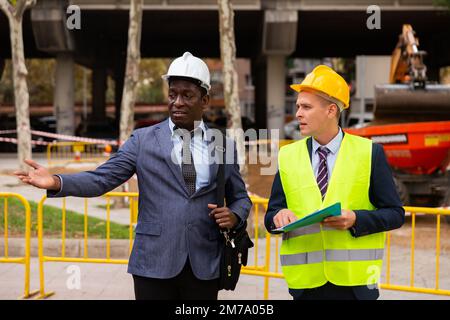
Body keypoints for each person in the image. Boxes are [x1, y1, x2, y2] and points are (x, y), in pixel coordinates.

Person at [14, 52, 252, 300]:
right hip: (153, 263)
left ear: (205, 101)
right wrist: (56, 181)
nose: (177, 102)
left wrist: (235, 215)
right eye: (172, 94)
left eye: (187, 96)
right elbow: (102, 179)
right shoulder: (142, 140)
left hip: (205, 264)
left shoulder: (222, 144)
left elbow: (241, 198)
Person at [264, 65, 405, 300]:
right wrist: (278, 216)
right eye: (298, 106)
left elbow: (395, 214)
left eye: (306, 107)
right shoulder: (288, 156)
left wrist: (356, 219)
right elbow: (271, 216)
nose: (298, 113)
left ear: (331, 110)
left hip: (355, 286)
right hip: (306, 286)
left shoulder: (370, 153)